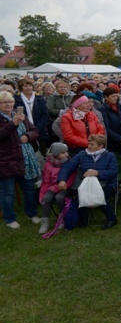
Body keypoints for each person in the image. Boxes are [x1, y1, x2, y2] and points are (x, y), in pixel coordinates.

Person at [57, 134, 119, 230]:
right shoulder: (82, 154)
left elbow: (113, 172)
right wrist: (62, 180)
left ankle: (111, 218)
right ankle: (84, 219)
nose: (89, 146)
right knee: (79, 197)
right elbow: (68, 167)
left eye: (92, 144)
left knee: (100, 195)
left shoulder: (110, 156)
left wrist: (97, 173)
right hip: (85, 183)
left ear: (100, 146)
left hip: (106, 183)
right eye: (89, 144)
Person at [0, 90, 40, 229]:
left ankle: (32, 213)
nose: (8, 104)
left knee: (29, 189)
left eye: (10, 101)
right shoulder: (8, 119)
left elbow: (35, 130)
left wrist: (28, 136)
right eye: (4, 102)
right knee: (8, 192)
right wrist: (13, 123)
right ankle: (9, 218)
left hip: (25, 159)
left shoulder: (19, 115)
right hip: (6, 160)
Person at [39, 142, 74, 233]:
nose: (66, 154)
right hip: (51, 187)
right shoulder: (48, 165)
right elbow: (46, 181)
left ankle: (62, 219)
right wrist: (42, 193)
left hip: (66, 187)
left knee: (59, 197)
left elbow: (71, 180)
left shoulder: (70, 163)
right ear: (55, 154)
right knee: (45, 199)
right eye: (63, 153)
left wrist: (58, 188)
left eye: (66, 152)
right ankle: (45, 222)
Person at [14, 78, 49, 155]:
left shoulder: (39, 98)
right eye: (25, 86)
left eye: (30, 86)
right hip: (24, 129)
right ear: (21, 88)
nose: (28, 88)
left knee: (43, 152)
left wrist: (38, 127)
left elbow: (45, 114)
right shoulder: (16, 99)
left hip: (40, 128)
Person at [97, 86, 121, 153]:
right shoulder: (103, 109)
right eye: (113, 96)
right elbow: (106, 128)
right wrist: (120, 139)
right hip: (112, 142)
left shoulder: (120, 106)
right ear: (106, 97)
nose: (115, 98)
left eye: (116, 96)